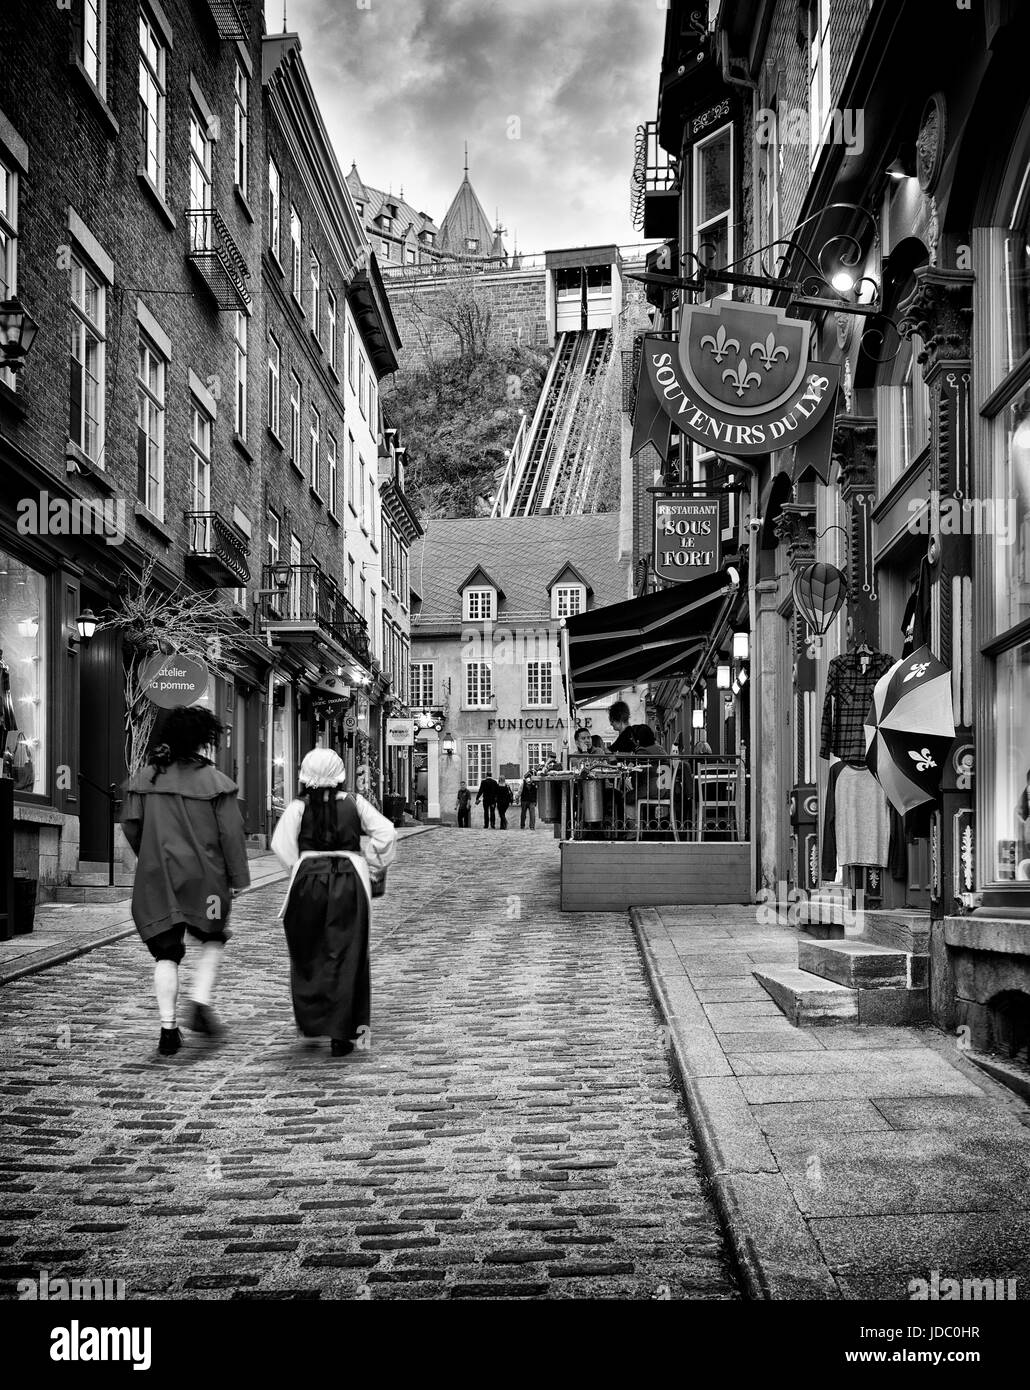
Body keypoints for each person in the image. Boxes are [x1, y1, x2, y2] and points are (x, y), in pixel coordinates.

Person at [120, 706, 250, 1058]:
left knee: (166, 953)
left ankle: (167, 1030)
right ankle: (200, 1000)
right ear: (203, 741)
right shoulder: (216, 783)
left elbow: (131, 826)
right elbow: (232, 835)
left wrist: (148, 854)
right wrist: (238, 878)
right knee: (212, 937)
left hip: (157, 878)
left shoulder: (146, 779)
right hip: (205, 880)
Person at [271, 749, 395, 1057]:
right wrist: (372, 863)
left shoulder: (298, 807)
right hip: (350, 882)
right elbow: (386, 832)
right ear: (340, 773)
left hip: (308, 881)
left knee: (309, 953)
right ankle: (342, 1032)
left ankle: (315, 1021)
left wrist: (298, 869)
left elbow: (280, 844)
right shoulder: (355, 803)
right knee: (347, 954)